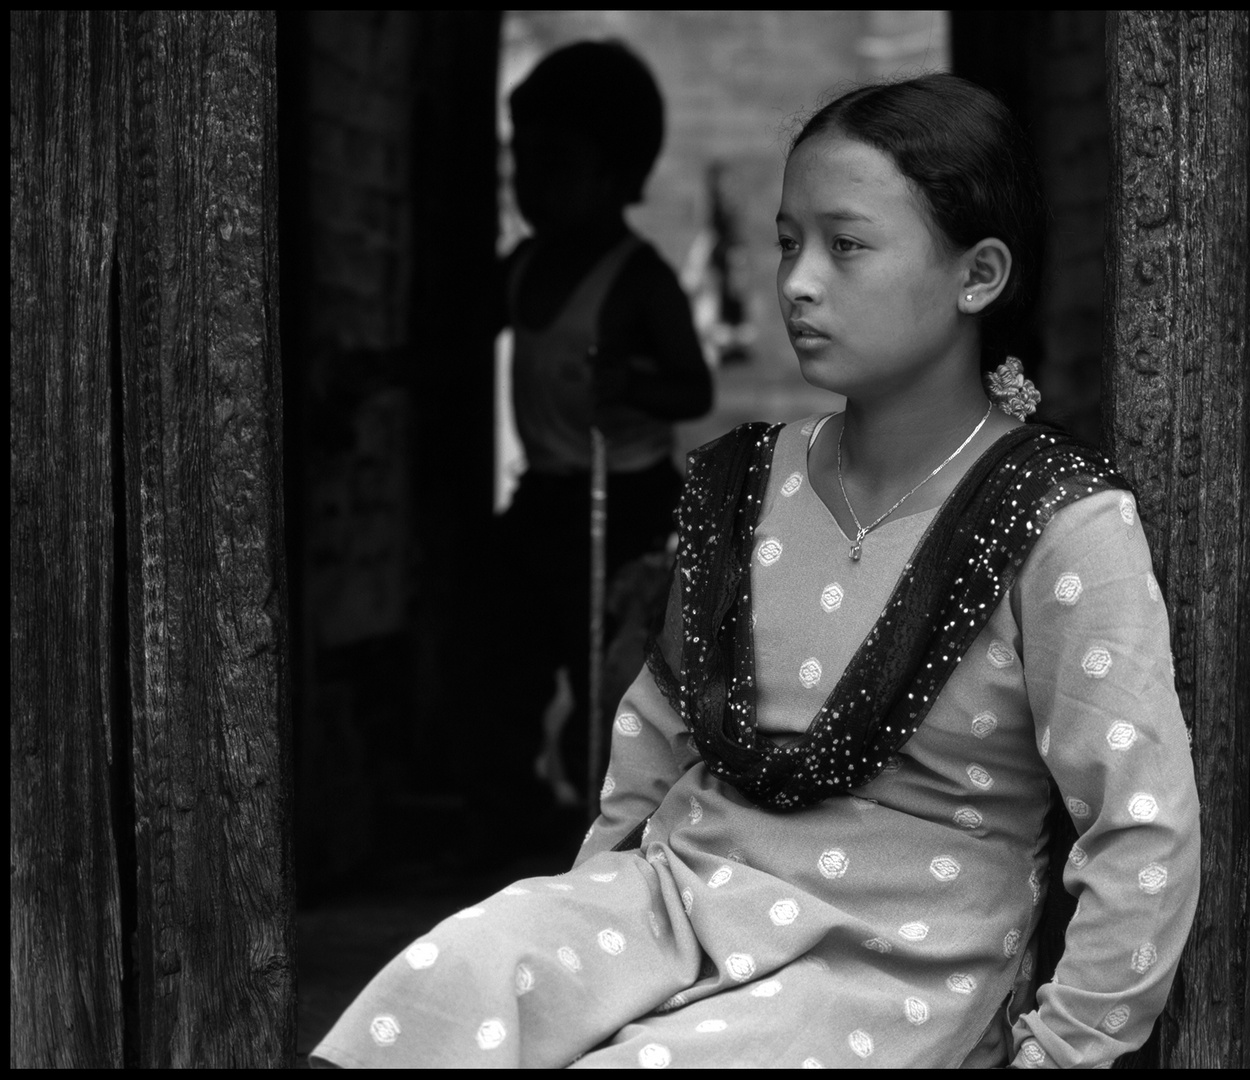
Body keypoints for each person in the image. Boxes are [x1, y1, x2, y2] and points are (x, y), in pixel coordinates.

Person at [312, 73, 1200, 1069]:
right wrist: (583, 930)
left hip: (882, 966)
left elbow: (1139, 830)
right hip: (681, 899)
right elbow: (651, 737)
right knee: (458, 971)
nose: (798, 281)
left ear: (979, 275)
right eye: (788, 241)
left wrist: (1062, 1052)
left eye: (846, 244)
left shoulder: (1061, 523)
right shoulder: (745, 484)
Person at [471, 40, 713, 843]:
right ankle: (509, 817)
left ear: (614, 171)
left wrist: (633, 386)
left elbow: (694, 388)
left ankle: (616, 826)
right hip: (544, 494)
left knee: (612, 669)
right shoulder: (522, 267)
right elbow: (453, 342)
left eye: (554, 160)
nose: (528, 178)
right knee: (504, 655)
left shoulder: (638, 278)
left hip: (628, 500)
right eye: (521, 158)